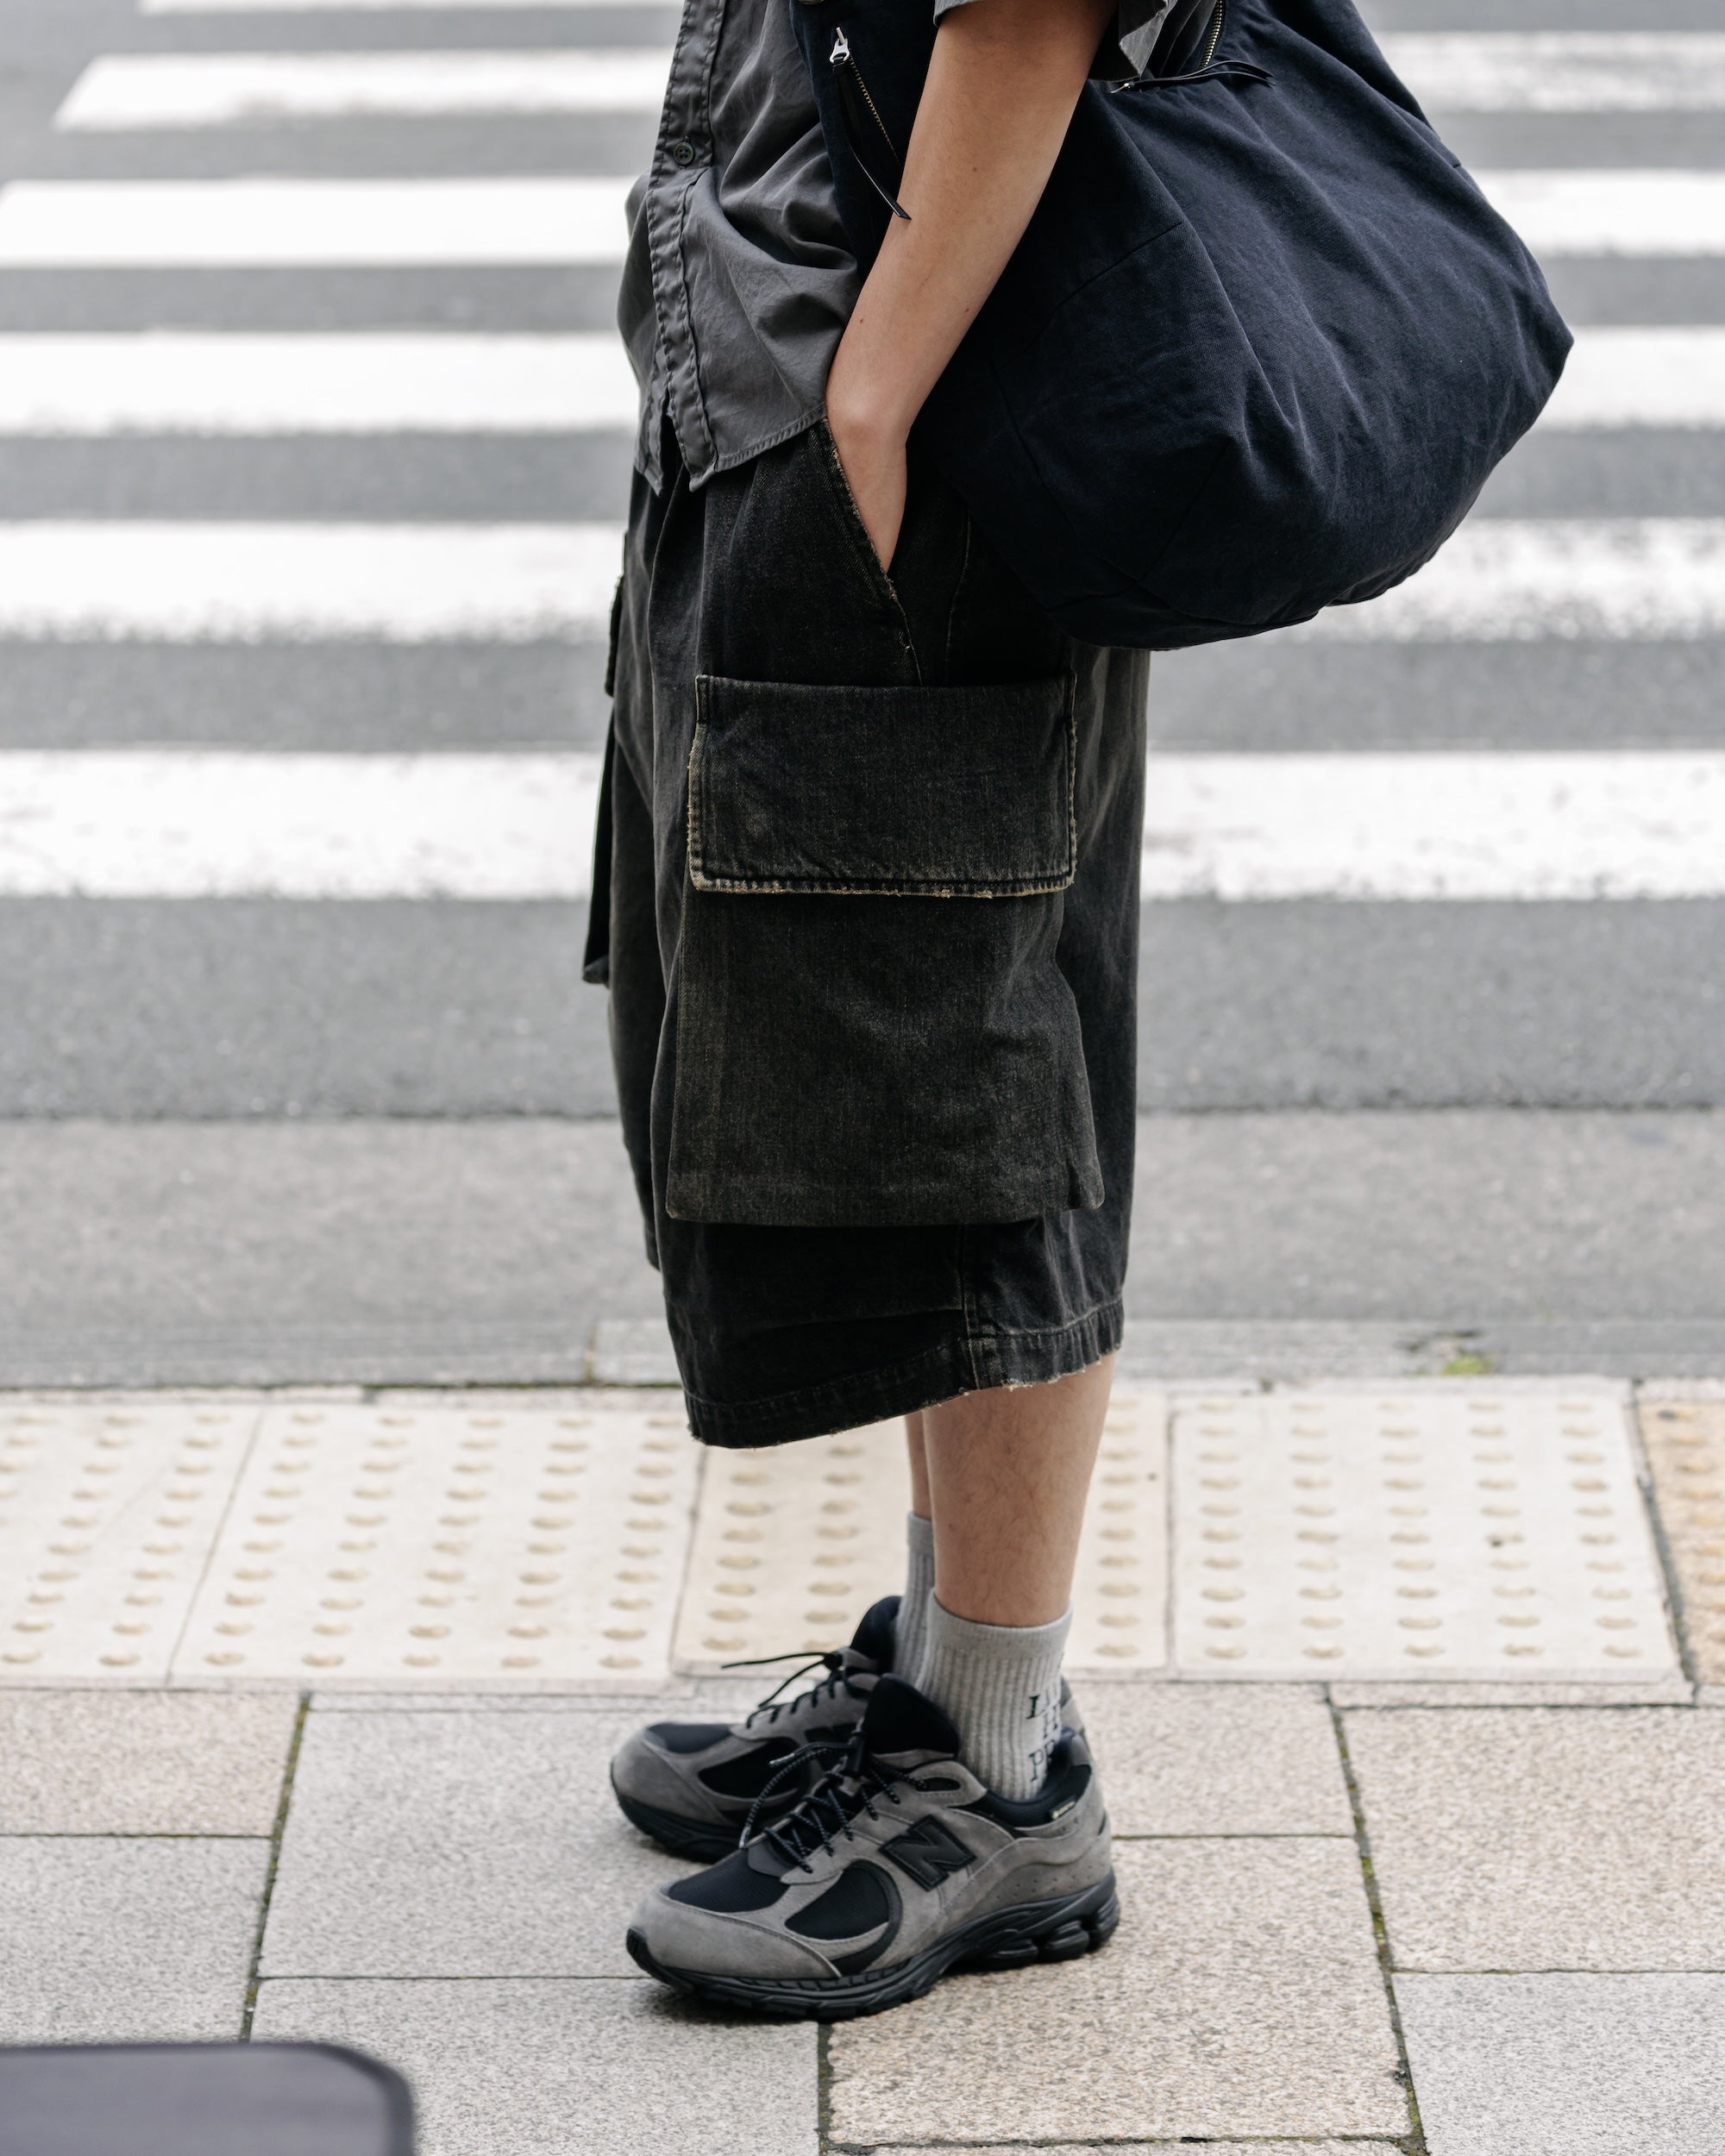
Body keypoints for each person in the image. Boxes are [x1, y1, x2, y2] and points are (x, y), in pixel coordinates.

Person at [592, 0, 1193, 2021]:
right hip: (816, 360)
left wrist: (874, 395)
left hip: (906, 395)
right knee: (931, 1028)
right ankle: (952, 1677)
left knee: (978, 1061)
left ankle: (1001, 1770)